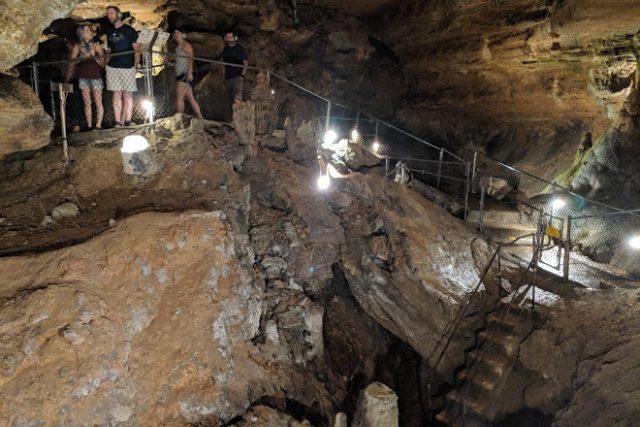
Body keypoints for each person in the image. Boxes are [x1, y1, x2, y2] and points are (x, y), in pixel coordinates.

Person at [105, 5, 140, 127]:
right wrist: (106, 63)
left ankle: (129, 120)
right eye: (108, 14)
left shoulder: (130, 31)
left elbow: (137, 49)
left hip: (127, 66)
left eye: (111, 13)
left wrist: (135, 65)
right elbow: (109, 49)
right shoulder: (109, 32)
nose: (109, 16)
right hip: (113, 66)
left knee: (128, 93)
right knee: (116, 94)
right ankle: (117, 121)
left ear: (118, 15)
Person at [66, 24, 106, 130]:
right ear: (82, 34)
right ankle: (89, 125)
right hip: (84, 76)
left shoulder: (97, 46)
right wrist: (82, 58)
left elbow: (103, 63)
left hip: (96, 76)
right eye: (86, 31)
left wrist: (94, 56)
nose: (89, 32)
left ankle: (98, 125)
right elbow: (72, 61)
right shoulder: (78, 46)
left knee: (98, 101)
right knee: (87, 102)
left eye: (90, 30)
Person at [173, 29, 203, 119]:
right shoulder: (178, 47)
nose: (176, 34)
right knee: (190, 98)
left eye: (178, 33)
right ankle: (200, 116)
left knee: (179, 97)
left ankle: (180, 117)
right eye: (175, 33)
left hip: (184, 73)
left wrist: (190, 72)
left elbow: (190, 58)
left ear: (183, 35)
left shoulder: (186, 45)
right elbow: (179, 61)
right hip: (181, 73)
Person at [222, 31, 248, 102]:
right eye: (228, 37)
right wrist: (224, 75)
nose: (230, 39)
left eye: (231, 37)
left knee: (237, 98)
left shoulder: (239, 48)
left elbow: (245, 62)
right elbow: (224, 63)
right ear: (226, 39)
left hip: (237, 77)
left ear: (234, 38)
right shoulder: (225, 49)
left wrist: (242, 75)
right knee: (229, 99)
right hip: (228, 77)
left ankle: (239, 112)